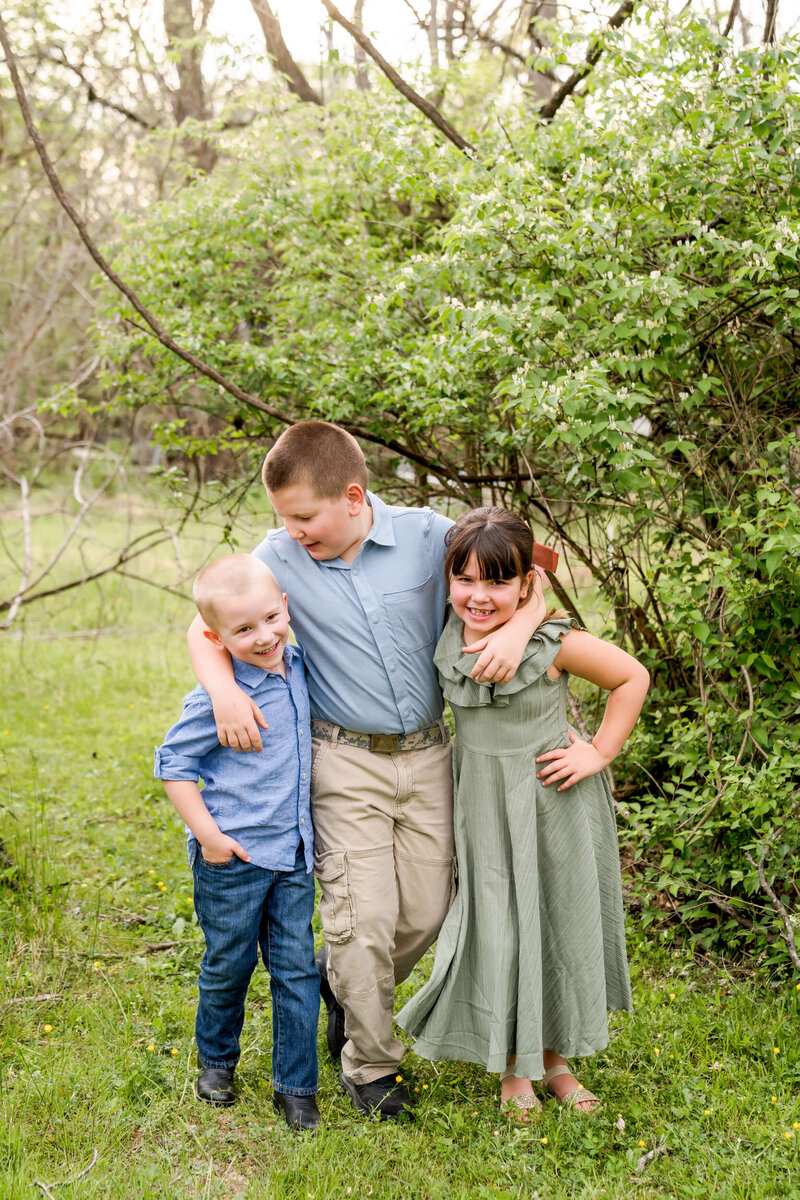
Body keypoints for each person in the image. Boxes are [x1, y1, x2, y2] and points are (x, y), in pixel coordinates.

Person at [186, 421, 548, 1121]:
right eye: (282, 519)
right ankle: (371, 1064)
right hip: (342, 758)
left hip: (433, 752)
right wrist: (225, 689)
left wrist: (520, 628)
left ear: (353, 496)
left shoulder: (424, 534)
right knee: (367, 917)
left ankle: (340, 982)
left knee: (425, 912)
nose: (290, 531)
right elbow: (204, 620)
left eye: (302, 516)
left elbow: (533, 571)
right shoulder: (279, 556)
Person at [396, 507, 649, 1121]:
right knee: (501, 925)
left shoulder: (552, 645)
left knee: (555, 921)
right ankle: (514, 1067)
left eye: (498, 583)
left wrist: (598, 751)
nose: (479, 596)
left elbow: (631, 677)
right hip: (482, 801)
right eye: (466, 580)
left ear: (524, 586)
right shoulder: (447, 633)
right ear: (449, 579)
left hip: (552, 799)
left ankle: (555, 1060)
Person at [155, 554, 321, 1132]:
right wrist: (211, 838)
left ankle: (296, 1087)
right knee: (229, 964)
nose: (264, 636)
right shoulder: (217, 698)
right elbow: (174, 765)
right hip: (235, 860)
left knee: (296, 969)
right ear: (216, 637)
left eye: (271, 619)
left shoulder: (301, 668)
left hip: (296, 854)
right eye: (243, 629)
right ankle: (217, 1063)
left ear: (286, 609)